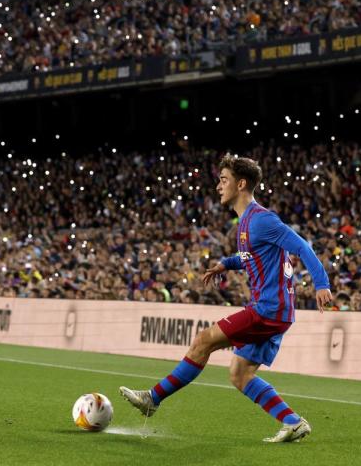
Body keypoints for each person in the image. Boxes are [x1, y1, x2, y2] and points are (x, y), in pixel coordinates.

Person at [119, 154, 333, 443]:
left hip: (268, 309)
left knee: (203, 341)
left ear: (241, 183)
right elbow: (252, 257)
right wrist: (227, 264)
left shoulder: (262, 220)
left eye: (223, 180)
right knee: (239, 374)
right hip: (275, 311)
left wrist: (322, 284)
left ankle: (153, 398)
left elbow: (302, 246)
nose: (218, 186)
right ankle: (293, 422)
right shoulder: (247, 223)